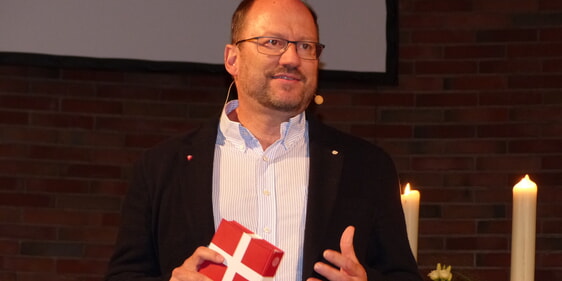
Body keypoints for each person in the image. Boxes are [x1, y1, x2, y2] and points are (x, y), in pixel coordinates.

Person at [105, 0, 422, 280]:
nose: (292, 58)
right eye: (273, 42)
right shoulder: (162, 167)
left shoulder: (366, 165)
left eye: (306, 46)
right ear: (233, 60)